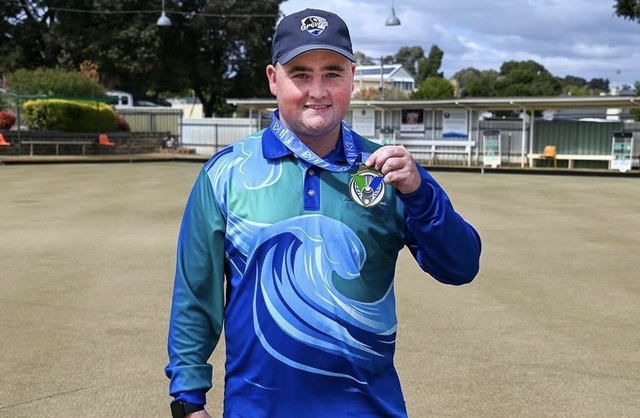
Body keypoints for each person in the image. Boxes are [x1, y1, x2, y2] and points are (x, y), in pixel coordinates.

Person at [165, 8, 481, 418]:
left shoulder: (389, 169)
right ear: (273, 79)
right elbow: (196, 293)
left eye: (332, 73)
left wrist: (421, 193)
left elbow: (461, 266)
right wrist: (188, 401)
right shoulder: (225, 173)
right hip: (257, 409)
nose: (318, 91)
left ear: (352, 77)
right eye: (300, 74)